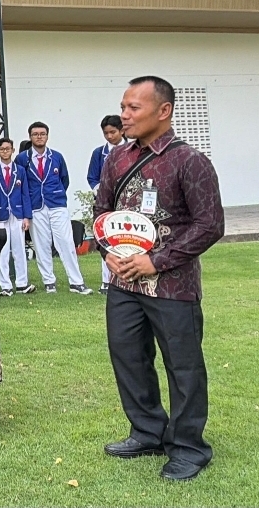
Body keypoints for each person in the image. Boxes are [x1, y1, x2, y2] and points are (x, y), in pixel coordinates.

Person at [96, 76, 224, 482]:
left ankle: (189, 447)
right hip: (123, 284)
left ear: (164, 111)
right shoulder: (116, 159)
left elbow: (210, 225)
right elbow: (102, 215)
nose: (124, 115)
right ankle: (147, 432)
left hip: (173, 286)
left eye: (134, 107)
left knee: (183, 367)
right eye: (123, 106)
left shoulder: (190, 161)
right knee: (128, 358)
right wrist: (107, 251)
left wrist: (157, 262)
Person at [15, 122, 93, 295]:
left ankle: (76, 282)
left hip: (56, 203)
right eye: (35, 134)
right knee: (41, 244)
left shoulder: (56, 156)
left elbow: (65, 180)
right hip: (36, 205)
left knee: (66, 241)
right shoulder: (22, 158)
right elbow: (20, 182)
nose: (39, 137)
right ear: (30, 137)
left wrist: (56, 194)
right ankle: (49, 281)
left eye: (42, 134)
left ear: (47, 136)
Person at [0, 138, 35, 296]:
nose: (5, 152)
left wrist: (27, 216)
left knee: (19, 249)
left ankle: (22, 283)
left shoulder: (20, 170)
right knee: (3, 251)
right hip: (0, 215)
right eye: (2, 149)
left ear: (13, 150)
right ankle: (6, 286)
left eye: (8, 149)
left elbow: (25, 194)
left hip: (17, 214)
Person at [88, 115, 125, 294]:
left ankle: (126, 277)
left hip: (127, 202)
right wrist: (102, 193)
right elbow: (92, 178)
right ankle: (106, 281)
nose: (109, 136)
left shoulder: (133, 149)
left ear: (122, 131)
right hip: (106, 203)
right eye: (106, 133)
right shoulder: (99, 153)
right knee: (107, 239)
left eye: (113, 132)